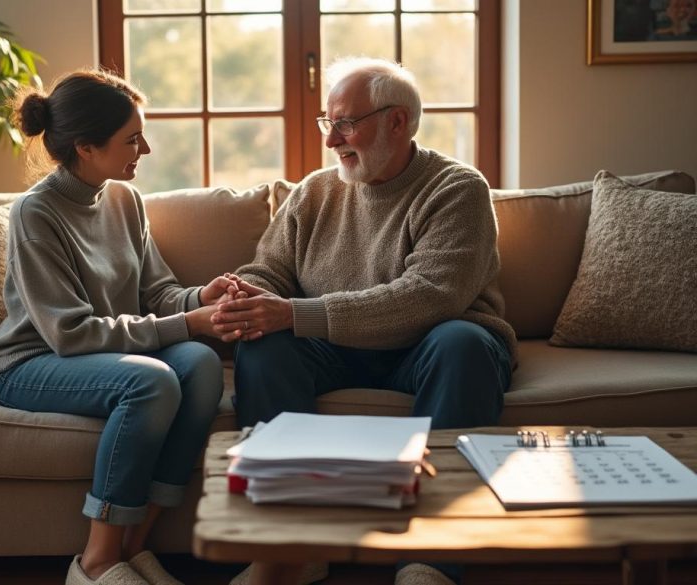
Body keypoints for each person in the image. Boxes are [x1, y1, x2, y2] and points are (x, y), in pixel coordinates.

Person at [211, 57, 517, 585]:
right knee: (263, 347)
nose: (332, 141)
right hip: (333, 349)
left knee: (463, 343)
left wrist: (296, 313)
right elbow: (271, 271)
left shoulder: (457, 189)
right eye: (329, 123)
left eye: (346, 123)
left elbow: (430, 297)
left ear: (397, 122)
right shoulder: (314, 192)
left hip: (428, 346)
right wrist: (247, 296)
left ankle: (430, 560)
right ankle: (290, 551)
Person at [0, 69, 231, 585]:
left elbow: (156, 293)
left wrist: (201, 297)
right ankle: (96, 561)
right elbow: (69, 333)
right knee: (152, 379)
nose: (145, 147)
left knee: (203, 364)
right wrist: (186, 322)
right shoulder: (36, 214)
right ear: (87, 147)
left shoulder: (124, 200)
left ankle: (136, 547)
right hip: (33, 363)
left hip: (99, 354)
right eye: (132, 138)